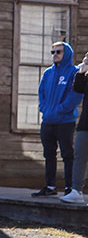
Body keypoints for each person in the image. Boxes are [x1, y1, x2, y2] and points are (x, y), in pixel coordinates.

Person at [34, 40, 78, 197]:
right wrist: (44, 110)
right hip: (48, 121)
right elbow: (41, 93)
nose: (55, 55)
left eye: (58, 52)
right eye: (53, 52)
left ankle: (69, 188)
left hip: (65, 122)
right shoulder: (48, 73)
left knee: (67, 154)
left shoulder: (74, 72)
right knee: (49, 154)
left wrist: (61, 109)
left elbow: (76, 95)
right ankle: (50, 187)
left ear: (66, 54)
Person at [60, 50, 88, 205]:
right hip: (85, 123)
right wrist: (82, 70)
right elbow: (78, 88)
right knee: (80, 157)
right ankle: (76, 191)